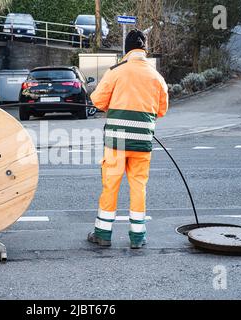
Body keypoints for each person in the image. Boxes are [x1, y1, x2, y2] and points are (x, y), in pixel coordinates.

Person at [87, 29, 169, 249]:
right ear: (145, 49)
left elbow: (97, 101)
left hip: (117, 142)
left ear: (126, 49)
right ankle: (137, 237)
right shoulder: (156, 76)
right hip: (142, 142)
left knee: (111, 185)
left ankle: (103, 234)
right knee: (139, 186)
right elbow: (162, 110)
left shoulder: (116, 72)